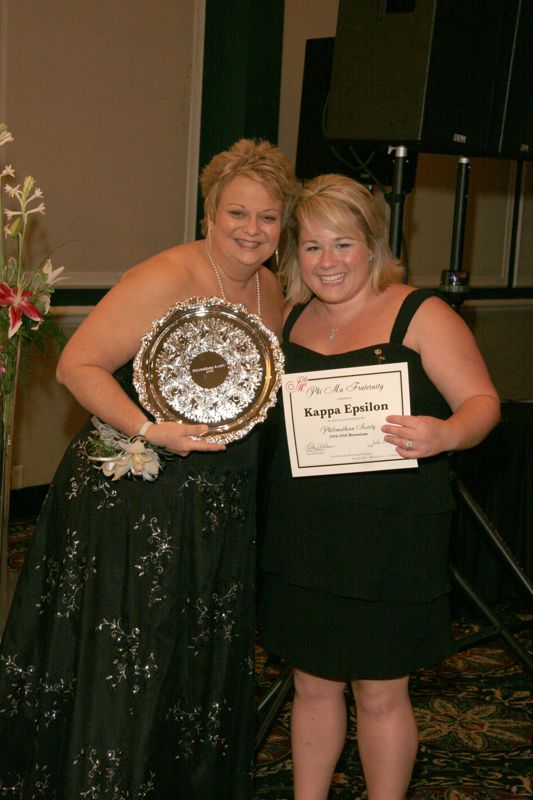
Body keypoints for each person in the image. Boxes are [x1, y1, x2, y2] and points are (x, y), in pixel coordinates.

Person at [0, 138, 298, 799]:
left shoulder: (272, 288)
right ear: (209, 214)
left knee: (194, 646)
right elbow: (78, 363)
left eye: (268, 218)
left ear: (283, 225)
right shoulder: (165, 276)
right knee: (136, 646)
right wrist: (148, 430)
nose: (252, 230)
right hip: (141, 492)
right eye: (236, 214)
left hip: (220, 494)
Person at [257, 174, 501, 800]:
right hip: (305, 527)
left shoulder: (421, 312)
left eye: (342, 244)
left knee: (381, 689)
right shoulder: (288, 320)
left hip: (390, 530)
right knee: (311, 683)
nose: (328, 262)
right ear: (294, 255)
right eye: (311, 247)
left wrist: (445, 434)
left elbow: (481, 403)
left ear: (372, 245)